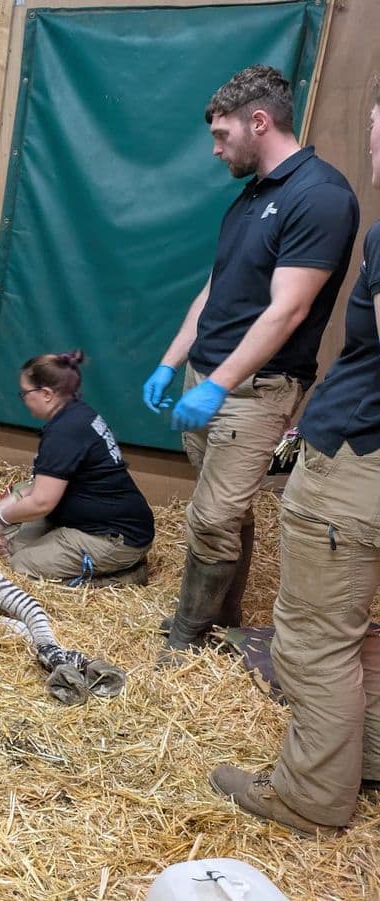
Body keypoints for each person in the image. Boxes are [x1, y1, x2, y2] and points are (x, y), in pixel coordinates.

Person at [208, 91, 380, 837]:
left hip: (357, 465)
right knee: (363, 632)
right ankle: (362, 759)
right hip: (352, 440)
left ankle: (310, 798)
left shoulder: (327, 203)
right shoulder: (254, 199)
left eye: (378, 129)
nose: (371, 144)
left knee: (312, 642)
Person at [142, 65, 358, 659]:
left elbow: (288, 312)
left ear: (258, 122)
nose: (216, 150)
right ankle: (224, 616)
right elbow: (215, 290)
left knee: (212, 516)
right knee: (226, 510)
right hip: (207, 375)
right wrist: (171, 362)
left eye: (222, 135)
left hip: (255, 388)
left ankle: (188, 637)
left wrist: (220, 384)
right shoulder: (250, 197)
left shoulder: (320, 196)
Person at [0, 351, 154, 584]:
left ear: (46, 394)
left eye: (25, 392)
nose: (23, 398)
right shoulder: (76, 412)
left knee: (21, 566)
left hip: (112, 536)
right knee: (17, 542)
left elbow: (43, 502)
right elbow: (48, 482)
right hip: (89, 517)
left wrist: (0, 518)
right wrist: (16, 499)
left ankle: (124, 577)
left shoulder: (65, 431)